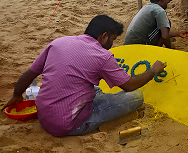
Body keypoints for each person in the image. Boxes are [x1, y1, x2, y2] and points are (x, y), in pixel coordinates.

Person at [1, 15, 166, 137]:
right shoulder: (102, 56)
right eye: (113, 40)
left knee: (90, 85)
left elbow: (30, 74)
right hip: (68, 124)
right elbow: (129, 85)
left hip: (44, 116)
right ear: (104, 36)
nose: (112, 45)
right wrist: (153, 70)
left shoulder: (59, 42)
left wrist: (17, 95)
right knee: (137, 97)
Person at [124, 0, 188, 48]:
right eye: (167, 2)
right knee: (167, 22)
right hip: (139, 47)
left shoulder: (147, 7)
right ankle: (156, 51)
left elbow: (159, 34)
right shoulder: (159, 11)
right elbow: (164, 37)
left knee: (163, 26)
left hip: (129, 45)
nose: (167, 6)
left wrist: (178, 33)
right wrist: (170, 47)